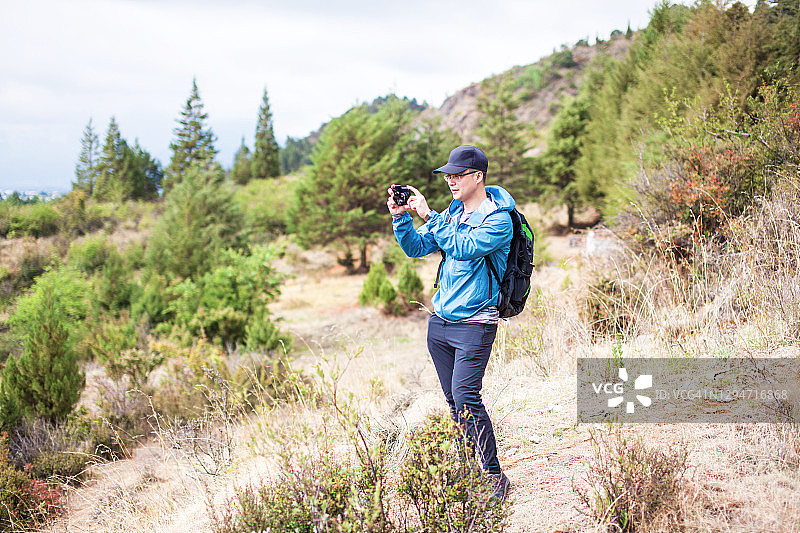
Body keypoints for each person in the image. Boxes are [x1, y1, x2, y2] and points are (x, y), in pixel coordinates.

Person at [387, 144, 513, 504]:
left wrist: (428, 213)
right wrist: (401, 218)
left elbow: (465, 247)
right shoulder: (452, 213)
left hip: (476, 323)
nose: (451, 181)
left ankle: (493, 476)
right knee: (454, 402)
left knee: (467, 398)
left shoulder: (499, 218)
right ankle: (472, 468)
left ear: (478, 176)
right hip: (440, 324)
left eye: (458, 175)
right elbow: (417, 247)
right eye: (448, 176)